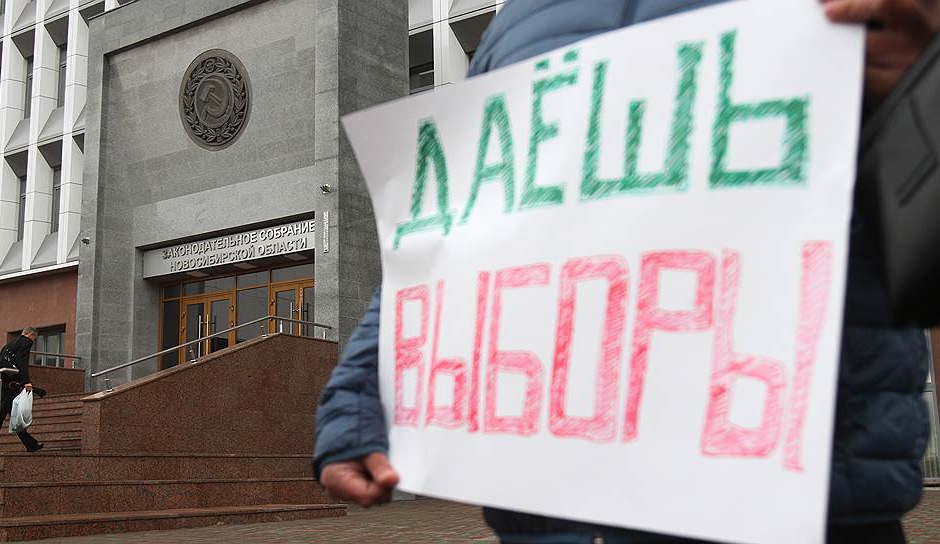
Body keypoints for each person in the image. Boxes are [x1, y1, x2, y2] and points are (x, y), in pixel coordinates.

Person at [313, 1, 938, 542]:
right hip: (552, 507)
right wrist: (360, 402)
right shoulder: (519, 23)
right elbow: (453, 243)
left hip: (796, 497)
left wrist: (927, 79)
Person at [0, 327, 43, 454]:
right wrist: (26, 381)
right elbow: (22, 362)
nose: (34, 341)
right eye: (35, 338)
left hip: (4, 382)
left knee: (15, 416)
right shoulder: (26, 342)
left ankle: (30, 444)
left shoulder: (9, 344)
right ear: (31, 335)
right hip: (10, 386)